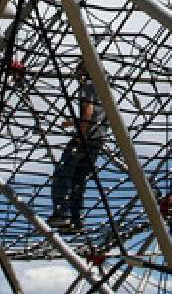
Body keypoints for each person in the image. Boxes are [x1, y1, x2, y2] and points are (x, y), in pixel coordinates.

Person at [49, 65, 106, 232]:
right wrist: (72, 123)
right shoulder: (103, 88)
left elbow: (88, 112)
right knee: (78, 181)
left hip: (86, 138)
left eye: (79, 71)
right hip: (98, 140)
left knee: (63, 174)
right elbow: (97, 116)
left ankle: (62, 215)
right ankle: (76, 220)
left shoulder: (87, 86)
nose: (77, 75)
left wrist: (80, 135)